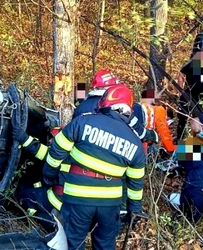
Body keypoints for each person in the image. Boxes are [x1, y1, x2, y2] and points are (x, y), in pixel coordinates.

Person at [42, 84, 146, 250]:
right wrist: (134, 209)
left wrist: (49, 173)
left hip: (78, 196)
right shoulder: (135, 142)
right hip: (110, 204)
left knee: (72, 243)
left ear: (105, 102)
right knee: (105, 245)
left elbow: (57, 149)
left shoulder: (84, 121)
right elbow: (136, 182)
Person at [176, 40, 203, 141]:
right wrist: (180, 90)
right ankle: (179, 139)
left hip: (201, 96)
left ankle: (197, 140)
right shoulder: (191, 62)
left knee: (199, 119)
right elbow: (181, 74)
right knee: (182, 117)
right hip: (188, 94)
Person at [132, 90, 177, 155]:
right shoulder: (160, 110)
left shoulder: (146, 107)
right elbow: (164, 132)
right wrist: (171, 150)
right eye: (167, 120)